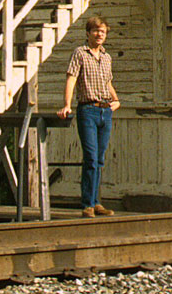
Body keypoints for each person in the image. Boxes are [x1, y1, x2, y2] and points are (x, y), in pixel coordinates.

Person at [57, 16, 120, 217]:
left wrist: (116, 100)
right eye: (96, 31)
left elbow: (108, 83)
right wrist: (67, 105)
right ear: (88, 33)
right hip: (88, 110)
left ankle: (96, 201)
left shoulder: (106, 57)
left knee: (99, 160)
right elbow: (71, 79)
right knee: (91, 158)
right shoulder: (80, 54)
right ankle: (87, 204)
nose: (99, 34)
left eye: (102, 31)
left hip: (105, 111)